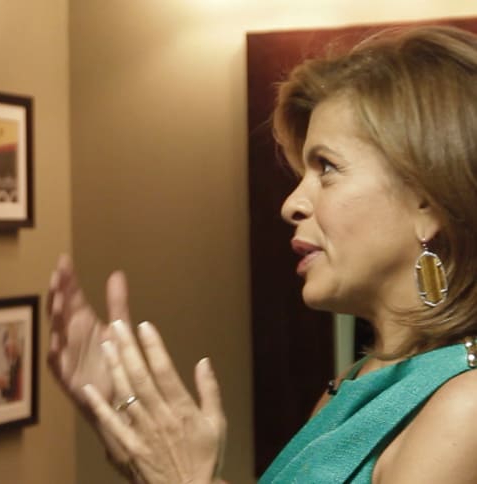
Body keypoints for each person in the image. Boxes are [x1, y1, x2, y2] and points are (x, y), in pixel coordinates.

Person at [48, 25, 477, 483]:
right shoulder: (353, 385)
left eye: (327, 168)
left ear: (428, 203)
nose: (291, 204)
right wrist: (136, 426)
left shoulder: (464, 407)